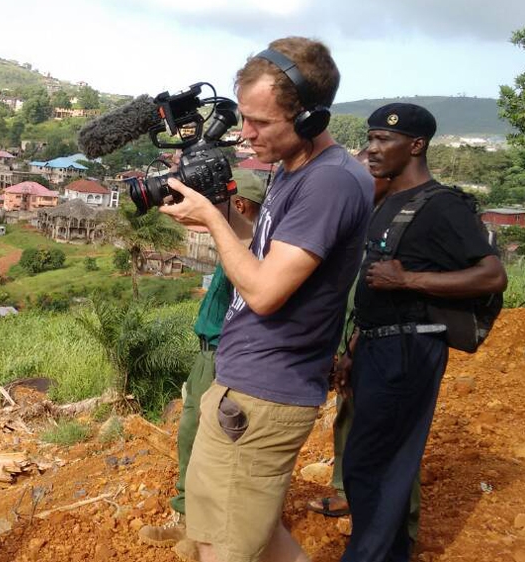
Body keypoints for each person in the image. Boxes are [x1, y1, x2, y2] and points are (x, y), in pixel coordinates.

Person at [159, 36, 373, 562]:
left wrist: (209, 220)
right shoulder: (292, 168)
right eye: (243, 118)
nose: (245, 134)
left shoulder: (330, 184)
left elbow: (264, 291)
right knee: (246, 536)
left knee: (226, 550)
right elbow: (257, 253)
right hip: (243, 383)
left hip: (265, 394)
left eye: (260, 122)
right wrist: (216, 208)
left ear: (309, 119)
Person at [340, 103, 506, 562]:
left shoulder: (442, 206)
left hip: (409, 349)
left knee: (376, 467)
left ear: (416, 145)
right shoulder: (389, 201)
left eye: (383, 140)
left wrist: (409, 279)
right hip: (379, 345)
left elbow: (492, 276)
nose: (372, 149)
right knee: (364, 464)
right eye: (370, 138)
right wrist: (357, 343)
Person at [138, 169, 265, 556]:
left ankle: (205, 531)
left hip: (224, 356)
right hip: (209, 352)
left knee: (206, 441)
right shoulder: (241, 245)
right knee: (191, 435)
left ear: (237, 205)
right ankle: (188, 520)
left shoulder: (251, 250)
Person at [307, 148, 423, 545]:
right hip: (357, 340)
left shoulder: (403, 220)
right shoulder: (361, 219)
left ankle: (397, 530)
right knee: (350, 422)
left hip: (392, 347)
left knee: (390, 438)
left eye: (364, 176)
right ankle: (351, 497)